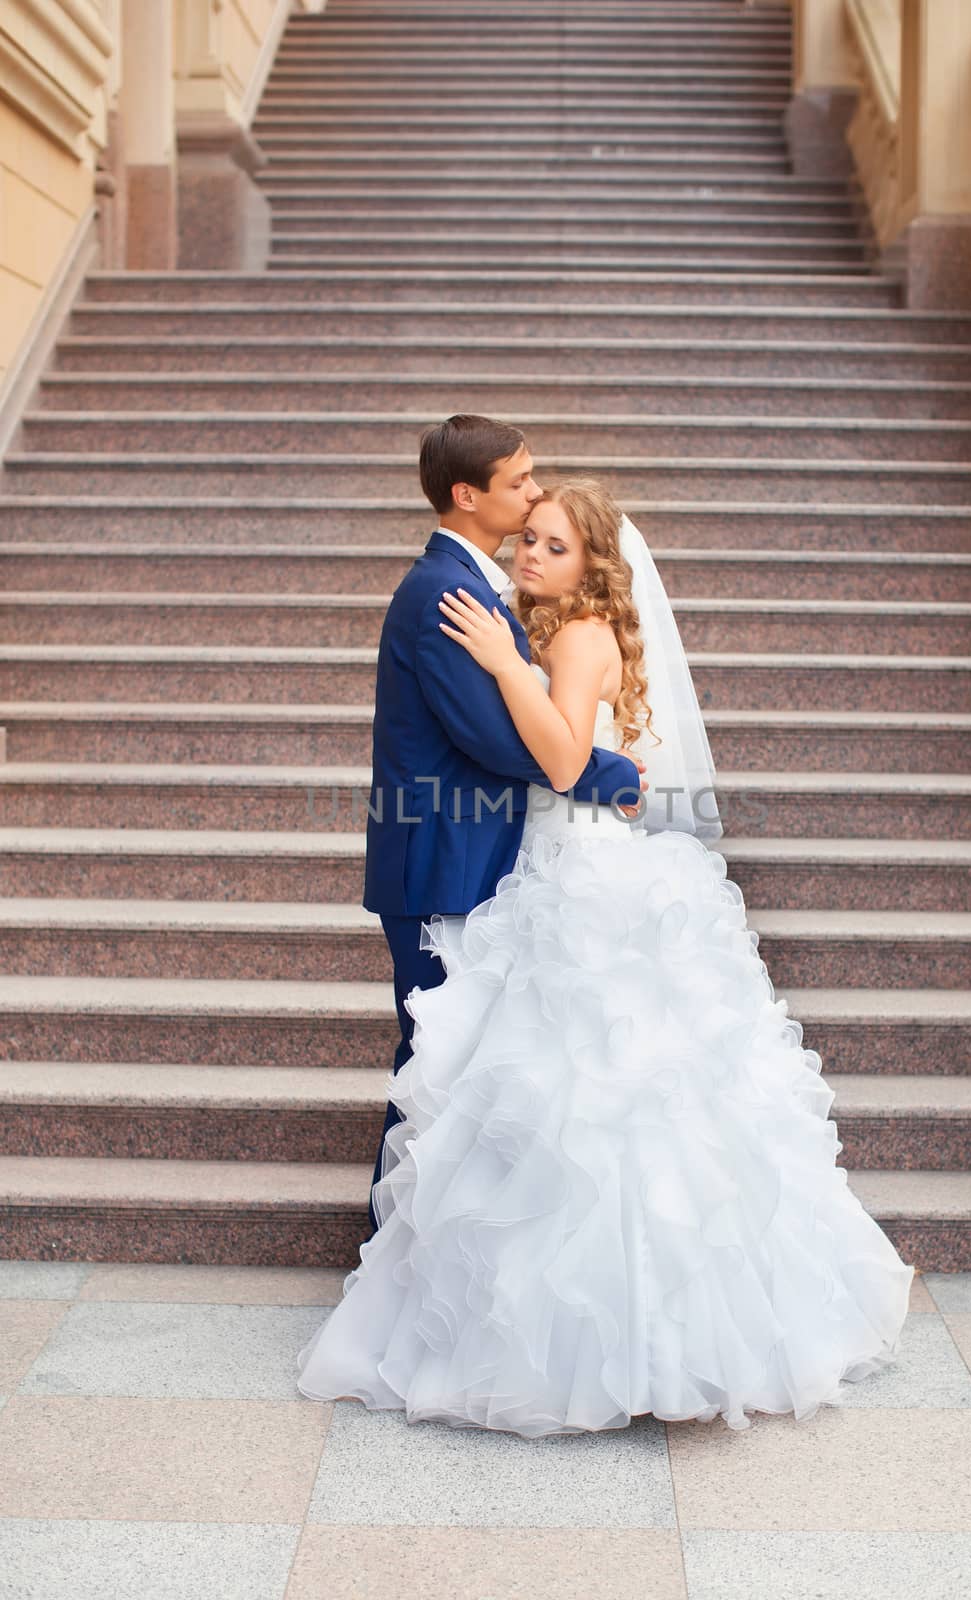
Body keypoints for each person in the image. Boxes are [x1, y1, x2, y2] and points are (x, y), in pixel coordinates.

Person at [296, 472, 916, 1437]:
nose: (529, 555)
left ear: (593, 565)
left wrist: (507, 666)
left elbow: (555, 757)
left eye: (552, 544)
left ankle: (629, 1343)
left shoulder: (575, 637)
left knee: (598, 1099)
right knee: (553, 1103)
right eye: (528, 538)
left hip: (582, 877)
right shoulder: (554, 628)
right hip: (554, 863)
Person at [360, 415, 647, 1243]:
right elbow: (490, 734)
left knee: (447, 1060)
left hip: (465, 849)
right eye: (519, 482)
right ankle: (392, 1252)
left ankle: (412, 1252)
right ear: (467, 494)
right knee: (434, 1059)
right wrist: (607, 773)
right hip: (437, 856)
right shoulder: (445, 590)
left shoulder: (476, 583)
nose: (529, 496)